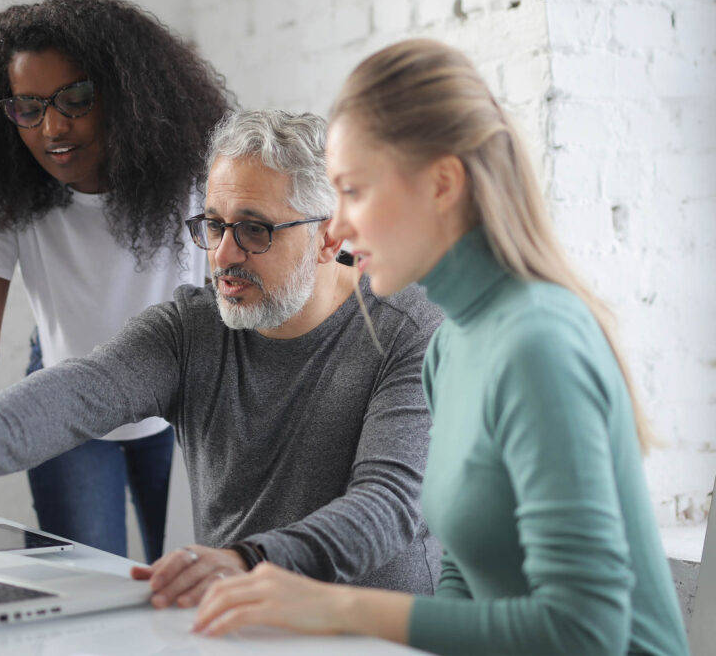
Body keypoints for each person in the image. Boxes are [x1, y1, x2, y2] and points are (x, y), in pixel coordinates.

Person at [193, 40, 689, 656]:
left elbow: (585, 633)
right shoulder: (449, 344)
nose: (338, 228)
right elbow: (463, 573)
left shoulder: (538, 343)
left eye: (353, 191)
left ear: (442, 184)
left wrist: (336, 606)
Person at [0, 110, 444, 608]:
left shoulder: (409, 331)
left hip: (378, 632)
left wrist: (248, 563)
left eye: (254, 230)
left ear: (329, 236)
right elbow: (83, 388)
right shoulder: (194, 328)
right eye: (213, 225)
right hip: (242, 625)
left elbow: (389, 505)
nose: (223, 256)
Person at [0, 0, 233, 562]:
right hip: (66, 409)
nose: (53, 126)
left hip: (185, 407)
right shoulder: (1, 196)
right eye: (29, 107)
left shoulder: (195, 173)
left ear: (125, 95)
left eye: (77, 99)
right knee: (90, 583)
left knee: (195, 583)